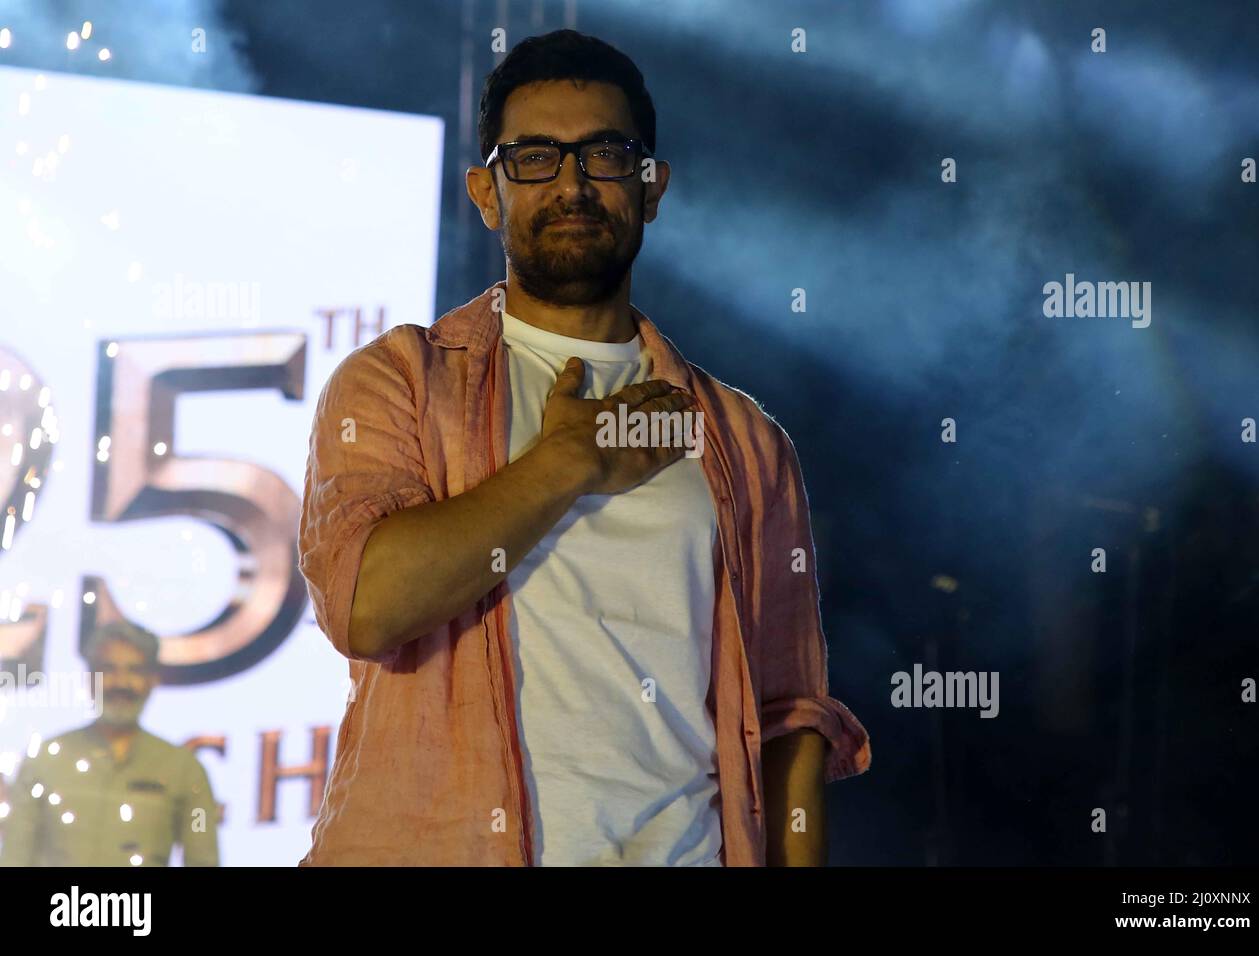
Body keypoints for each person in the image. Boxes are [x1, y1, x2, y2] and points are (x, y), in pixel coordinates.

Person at [297, 28, 869, 866]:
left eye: (605, 155)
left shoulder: (744, 439)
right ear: (486, 193)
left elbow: (789, 716)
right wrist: (565, 465)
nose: (571, 184)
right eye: (534, 158)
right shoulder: (400, 383)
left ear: (651, 187)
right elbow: (365, 606)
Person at [0, 620, 219, 866]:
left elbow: (203, 857)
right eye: (108, 670)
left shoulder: (185, 771)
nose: (121, 683)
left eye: (135, 670)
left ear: (153, 680)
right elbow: (15, 857)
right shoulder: (43, 763)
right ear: (90, 679)